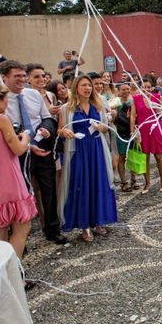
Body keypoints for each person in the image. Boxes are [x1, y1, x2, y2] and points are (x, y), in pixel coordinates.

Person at [0, 59, 67, 244]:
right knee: (20, 195)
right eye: (17, 76)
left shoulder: (33, 95)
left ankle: (52, 229)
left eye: (23, 76)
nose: (21, 79)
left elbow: (47, 118)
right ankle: (19, 236)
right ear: (4, 77)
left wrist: (46, 129)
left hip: (43, 150)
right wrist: (24, 141)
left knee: (49, 190)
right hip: (17, 153)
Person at [57, 75, 118, 242]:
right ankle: (84, 225)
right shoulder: (66, 108)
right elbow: (60, 129)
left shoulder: (97, 106)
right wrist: (65, 132)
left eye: (89, 85)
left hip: (96, 149)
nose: (88, 88)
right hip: (79, 150)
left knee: (99, 183)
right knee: (81, 185)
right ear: (76, 87)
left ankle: (99, 221)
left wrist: (102, 127)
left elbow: (106, 128)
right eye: (84, 85)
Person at [0, 82, 36, 258]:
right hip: (8, 176)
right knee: (22, 226)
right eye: (6, 99)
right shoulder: (1, 119)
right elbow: (19, 149)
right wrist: (25, 137)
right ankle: (14, 273)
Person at [130, 77, 162, 193]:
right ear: (140, 87)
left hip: (156, 130)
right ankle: (147, 183)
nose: (146, 89)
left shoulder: (157, 97)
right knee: (144, 158)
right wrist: (132, 131)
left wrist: (160, 112)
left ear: (152, 88)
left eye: (148, 87)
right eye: (143, 87)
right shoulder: (135, 99)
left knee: (158, 157)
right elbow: (132, 115)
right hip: (143, 132)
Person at [112, 82, 139, 192]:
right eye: (123, 89)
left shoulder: (133, 101)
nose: (126, 91)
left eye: (127, 89)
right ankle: (124, 182)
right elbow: (111, 119)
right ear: (118, 91)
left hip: (132, 133)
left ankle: (133, 179)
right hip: (120, 133)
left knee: (133, 156)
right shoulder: (115, 102)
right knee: (122, 158)